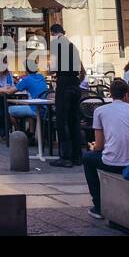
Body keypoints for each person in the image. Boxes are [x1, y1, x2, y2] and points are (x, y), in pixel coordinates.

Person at [83, 79, 129, 219]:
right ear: (127, 95)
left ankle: (99, 206)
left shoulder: (100, 111)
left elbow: (99, 146)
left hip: (113, 163)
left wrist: (94, 147)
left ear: (111, 95)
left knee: (87, 158)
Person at [50, 24, 85, 167]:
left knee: (62, 120)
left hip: (64, 84)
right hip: (75, 85)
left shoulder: (57, 45)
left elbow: (53, 69)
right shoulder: (73, 46)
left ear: (53, 33)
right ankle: (77, 156)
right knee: (74, 120)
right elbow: (82, 69)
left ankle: (65, 157)